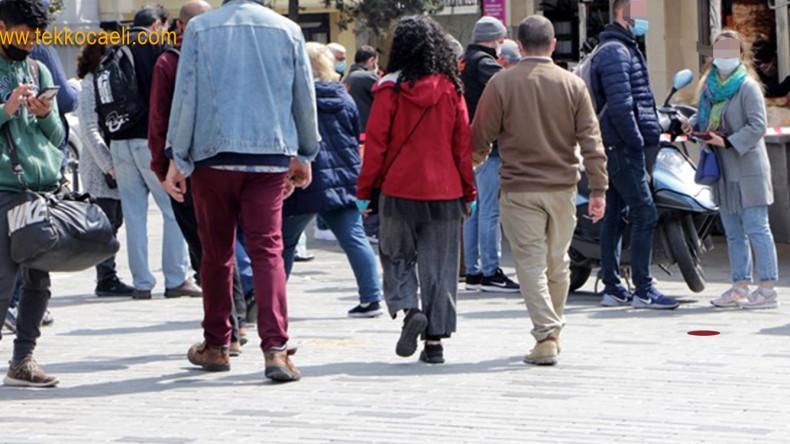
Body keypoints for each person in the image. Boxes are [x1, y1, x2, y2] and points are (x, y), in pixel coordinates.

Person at [165, 0, 319, 382]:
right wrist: (305, 153)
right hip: (269, 155)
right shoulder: (288, 30)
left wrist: (177, 156)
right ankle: (276, 350)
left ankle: (217, 344)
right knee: (268, 250)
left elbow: (186, 96)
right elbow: (304, 96)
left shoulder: (201, 28)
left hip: (213, 156)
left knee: (217, 253)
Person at [472, 15, 608, 366]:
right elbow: (591, 140)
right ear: (553, 45)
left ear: (518, 46)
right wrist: (598, 188)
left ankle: (547, 334)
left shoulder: (502, 83)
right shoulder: (572, 84)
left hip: (519, 188)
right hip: (563, 187)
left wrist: (473, 163)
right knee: (557, 263)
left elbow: (480, 135)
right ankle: (552, 332)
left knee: (530, 264)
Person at [357, 15, 476, 365]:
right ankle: (435, 343)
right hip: (446, 191)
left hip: (398, 189)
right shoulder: (452, 89)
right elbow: (462, 146)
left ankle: (410, 310)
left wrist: (365, 191)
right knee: (440, 268)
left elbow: (376, 145)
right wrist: (468, 192)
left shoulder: (389, 89)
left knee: (394, 255)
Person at [148, 0, 249, 355]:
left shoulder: (170, 61)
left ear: (179, 26)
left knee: (207, 251)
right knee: (223, 246)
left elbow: (159, 119)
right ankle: (238, 322)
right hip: (230, 163)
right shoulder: (227, 57)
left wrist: (161, 168)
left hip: (188, 167)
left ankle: (227, 333)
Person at [282, 42, 383, 318]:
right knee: (354, 237)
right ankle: (371, 298)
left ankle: (270, 301)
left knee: (285, 241)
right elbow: (353, 134)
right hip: (343, 176)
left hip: (306, 176)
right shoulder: (344, 97)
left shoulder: (295, 98)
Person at [591, 0, 678, 309]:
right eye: (639, 11)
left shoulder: (622, 47)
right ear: (622, 12)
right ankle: (643, 289)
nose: (643, 18)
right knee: (645, 213)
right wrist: (637, 141)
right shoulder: (616, 51)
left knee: (615, 216)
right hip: (622, 146)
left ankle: (613, 288)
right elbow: (621, 105)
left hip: (616, 144)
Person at [683, 30, 779, 310]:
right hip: (724, 172)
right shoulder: (709, 88)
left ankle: (768, 289)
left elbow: (757, 125)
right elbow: (704, 116)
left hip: (748, 169)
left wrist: (727, 141)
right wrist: (692, 125)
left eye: (730, 50)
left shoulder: (747, 87)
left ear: (740, 55)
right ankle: (740, 286)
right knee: (734, 232)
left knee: (757, 228)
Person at [108, 5, 197, 300]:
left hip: (118, 140)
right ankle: (176, 279)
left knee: (134, 215)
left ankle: (142, 284)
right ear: (159, 24)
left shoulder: (113, 47)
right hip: (147, 140)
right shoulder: (158, 47)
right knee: (173, 208)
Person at [0, 0, 65, 387]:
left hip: (38, 189)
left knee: (38, 280)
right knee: (3, 280)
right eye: (24, 34)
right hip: (3, 188)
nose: (31, 43)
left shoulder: (37, 68)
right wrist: (6, 109)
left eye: (36, 36)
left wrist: (44, 114)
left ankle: (23, 359)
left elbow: (56, 136)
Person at [461, 16, 520, 294]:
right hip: (488, 147)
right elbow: (511, 87)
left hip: (467, 145)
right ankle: (491, 271)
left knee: (473, 209)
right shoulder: (484, 63)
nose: (502, 43)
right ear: (494, 39)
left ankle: (473, 271)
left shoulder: (463, 61)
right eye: (500, 39)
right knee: (489, 210)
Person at [76, 40, 135, 298]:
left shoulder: (107, 82)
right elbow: (89, 129)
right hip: (99, 169)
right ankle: (106, 278)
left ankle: (108, 276)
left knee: (115, 222)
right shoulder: (90, 84)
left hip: (114, 166)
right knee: (106, 225)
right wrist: (108, 165)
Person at [344, 45, 381, 243]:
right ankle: (371, 226)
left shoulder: (348, 78)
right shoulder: (367, 78)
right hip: (368, 135)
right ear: (371, 60)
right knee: (372, 178)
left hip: (355, 134)